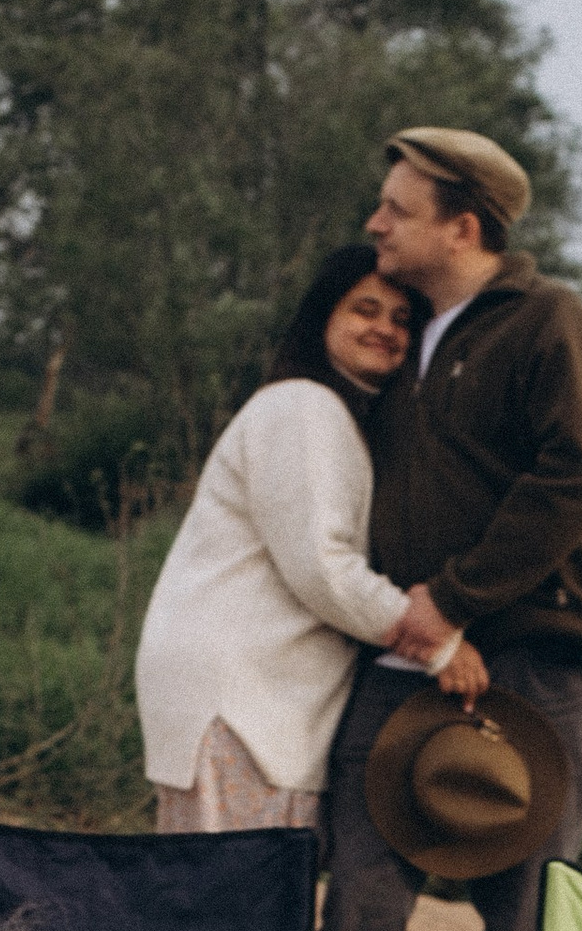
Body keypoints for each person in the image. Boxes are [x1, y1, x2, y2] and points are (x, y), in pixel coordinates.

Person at [296, 127, 582, 931]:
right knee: (356, 913)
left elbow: (575, 478)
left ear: (463, 226)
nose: (375, 225)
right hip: (407, 651)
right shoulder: (400, 338)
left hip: (532, 659)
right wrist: (423, 621)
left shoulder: (548, 322)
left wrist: (456, 600)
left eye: (395, 209)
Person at [132, 243, 486, 835]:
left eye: (402, 319)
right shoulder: (303, 408)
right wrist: (437, 644)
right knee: (230, 884)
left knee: (234, 883)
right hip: (239, 698)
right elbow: (323, 568)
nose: (384, 329)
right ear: (323, 316)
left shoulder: (335, 416)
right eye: (364, 310)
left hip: (259, 697)